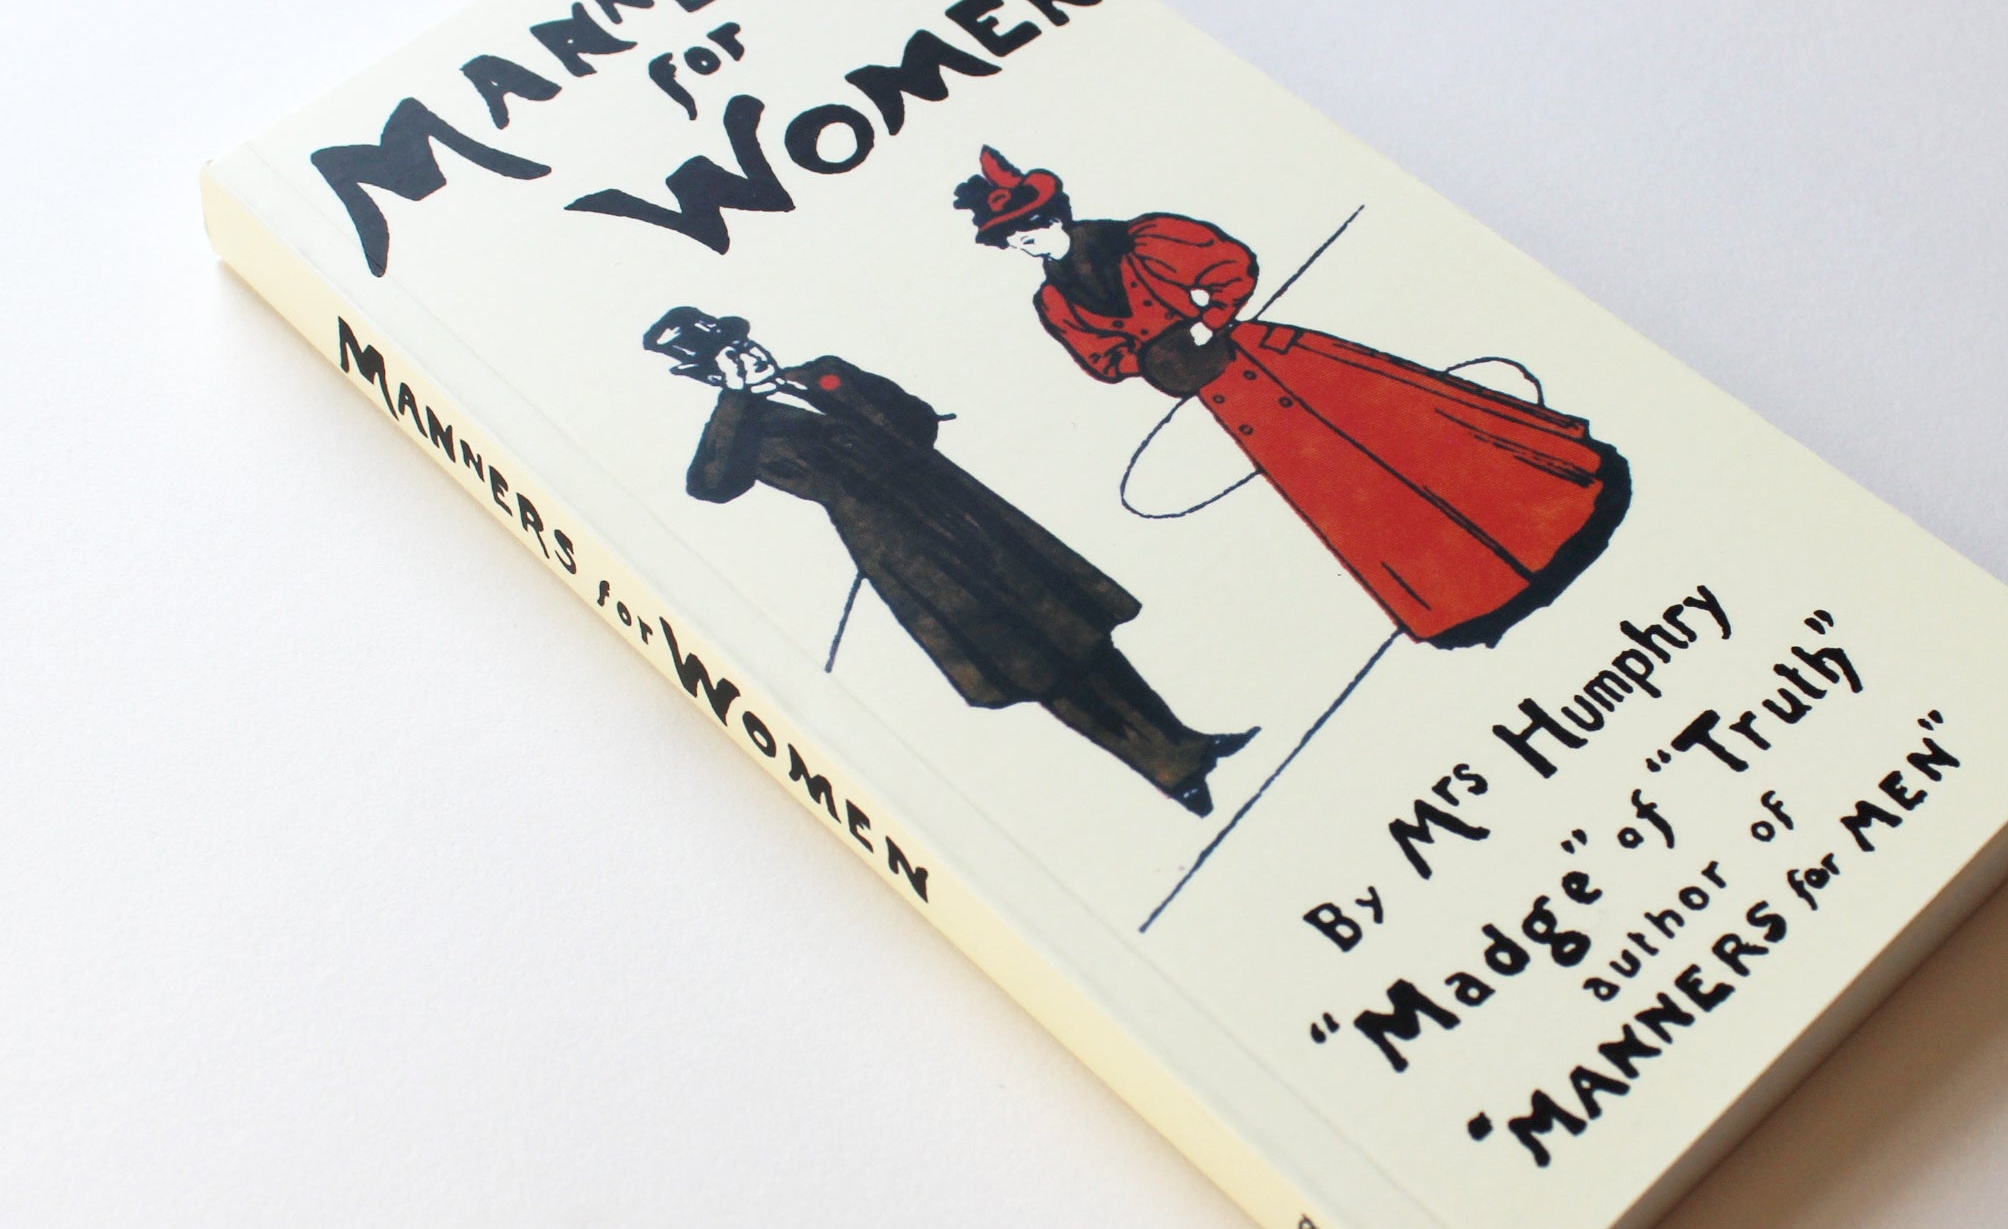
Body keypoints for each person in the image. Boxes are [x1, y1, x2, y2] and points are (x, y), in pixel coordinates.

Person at [953, 148, 1631, 649]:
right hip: (1229, 401)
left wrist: (1207, 319)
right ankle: (1470, 595)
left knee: (1406, 433)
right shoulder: (1054, 299)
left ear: (1054, 214)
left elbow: (1231, 265)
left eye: (1030, 230)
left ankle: (1556, 515)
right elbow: (1099, 360)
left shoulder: (1143, 236)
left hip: (1276, 363)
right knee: (1346, 492)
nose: (1025, 245)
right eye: (1013, 241)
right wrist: (1152, 360)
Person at [643, 307, 1254, 814]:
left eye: (744, 343)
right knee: (1039, 665)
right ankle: (1169, 771)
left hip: (969, 514)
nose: (750, 356)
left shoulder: (824, 375)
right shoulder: (744, 429)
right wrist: (736, 402)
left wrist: (858, 400)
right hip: (913, 552)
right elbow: (710, 486)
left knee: (1080, 634)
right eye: (731, 358)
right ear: (714, 377)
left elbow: (913, 418)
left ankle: (1186, 741)